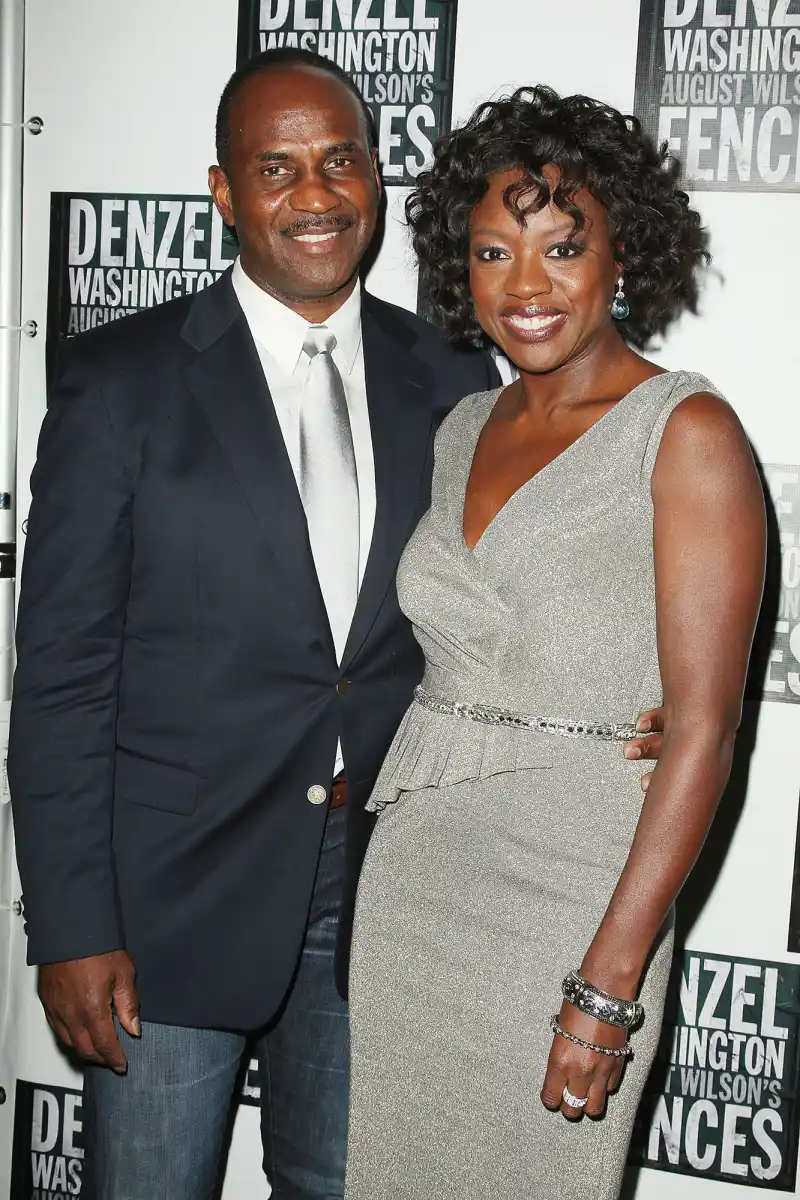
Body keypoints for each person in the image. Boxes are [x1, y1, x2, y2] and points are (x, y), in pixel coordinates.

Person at [8, 54, 662, 1199]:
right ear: (223, 193)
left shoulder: (461, 376)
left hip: (387, 901)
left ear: (373, 175)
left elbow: (516, 588)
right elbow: (60, 679)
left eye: (339, 161)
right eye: (277, 168)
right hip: (169, 910)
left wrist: (622, 711)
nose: (315, 195)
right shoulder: (117, 383)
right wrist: (69, 925)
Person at [344, 86, 766, 1200]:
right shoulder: (462, 427)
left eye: (560, 247)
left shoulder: (685, 434)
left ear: (620, 251)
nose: (523, 285)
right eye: (491, 251)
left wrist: (605, 986)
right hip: (415, 881)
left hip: (572, 894)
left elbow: (702, 733)